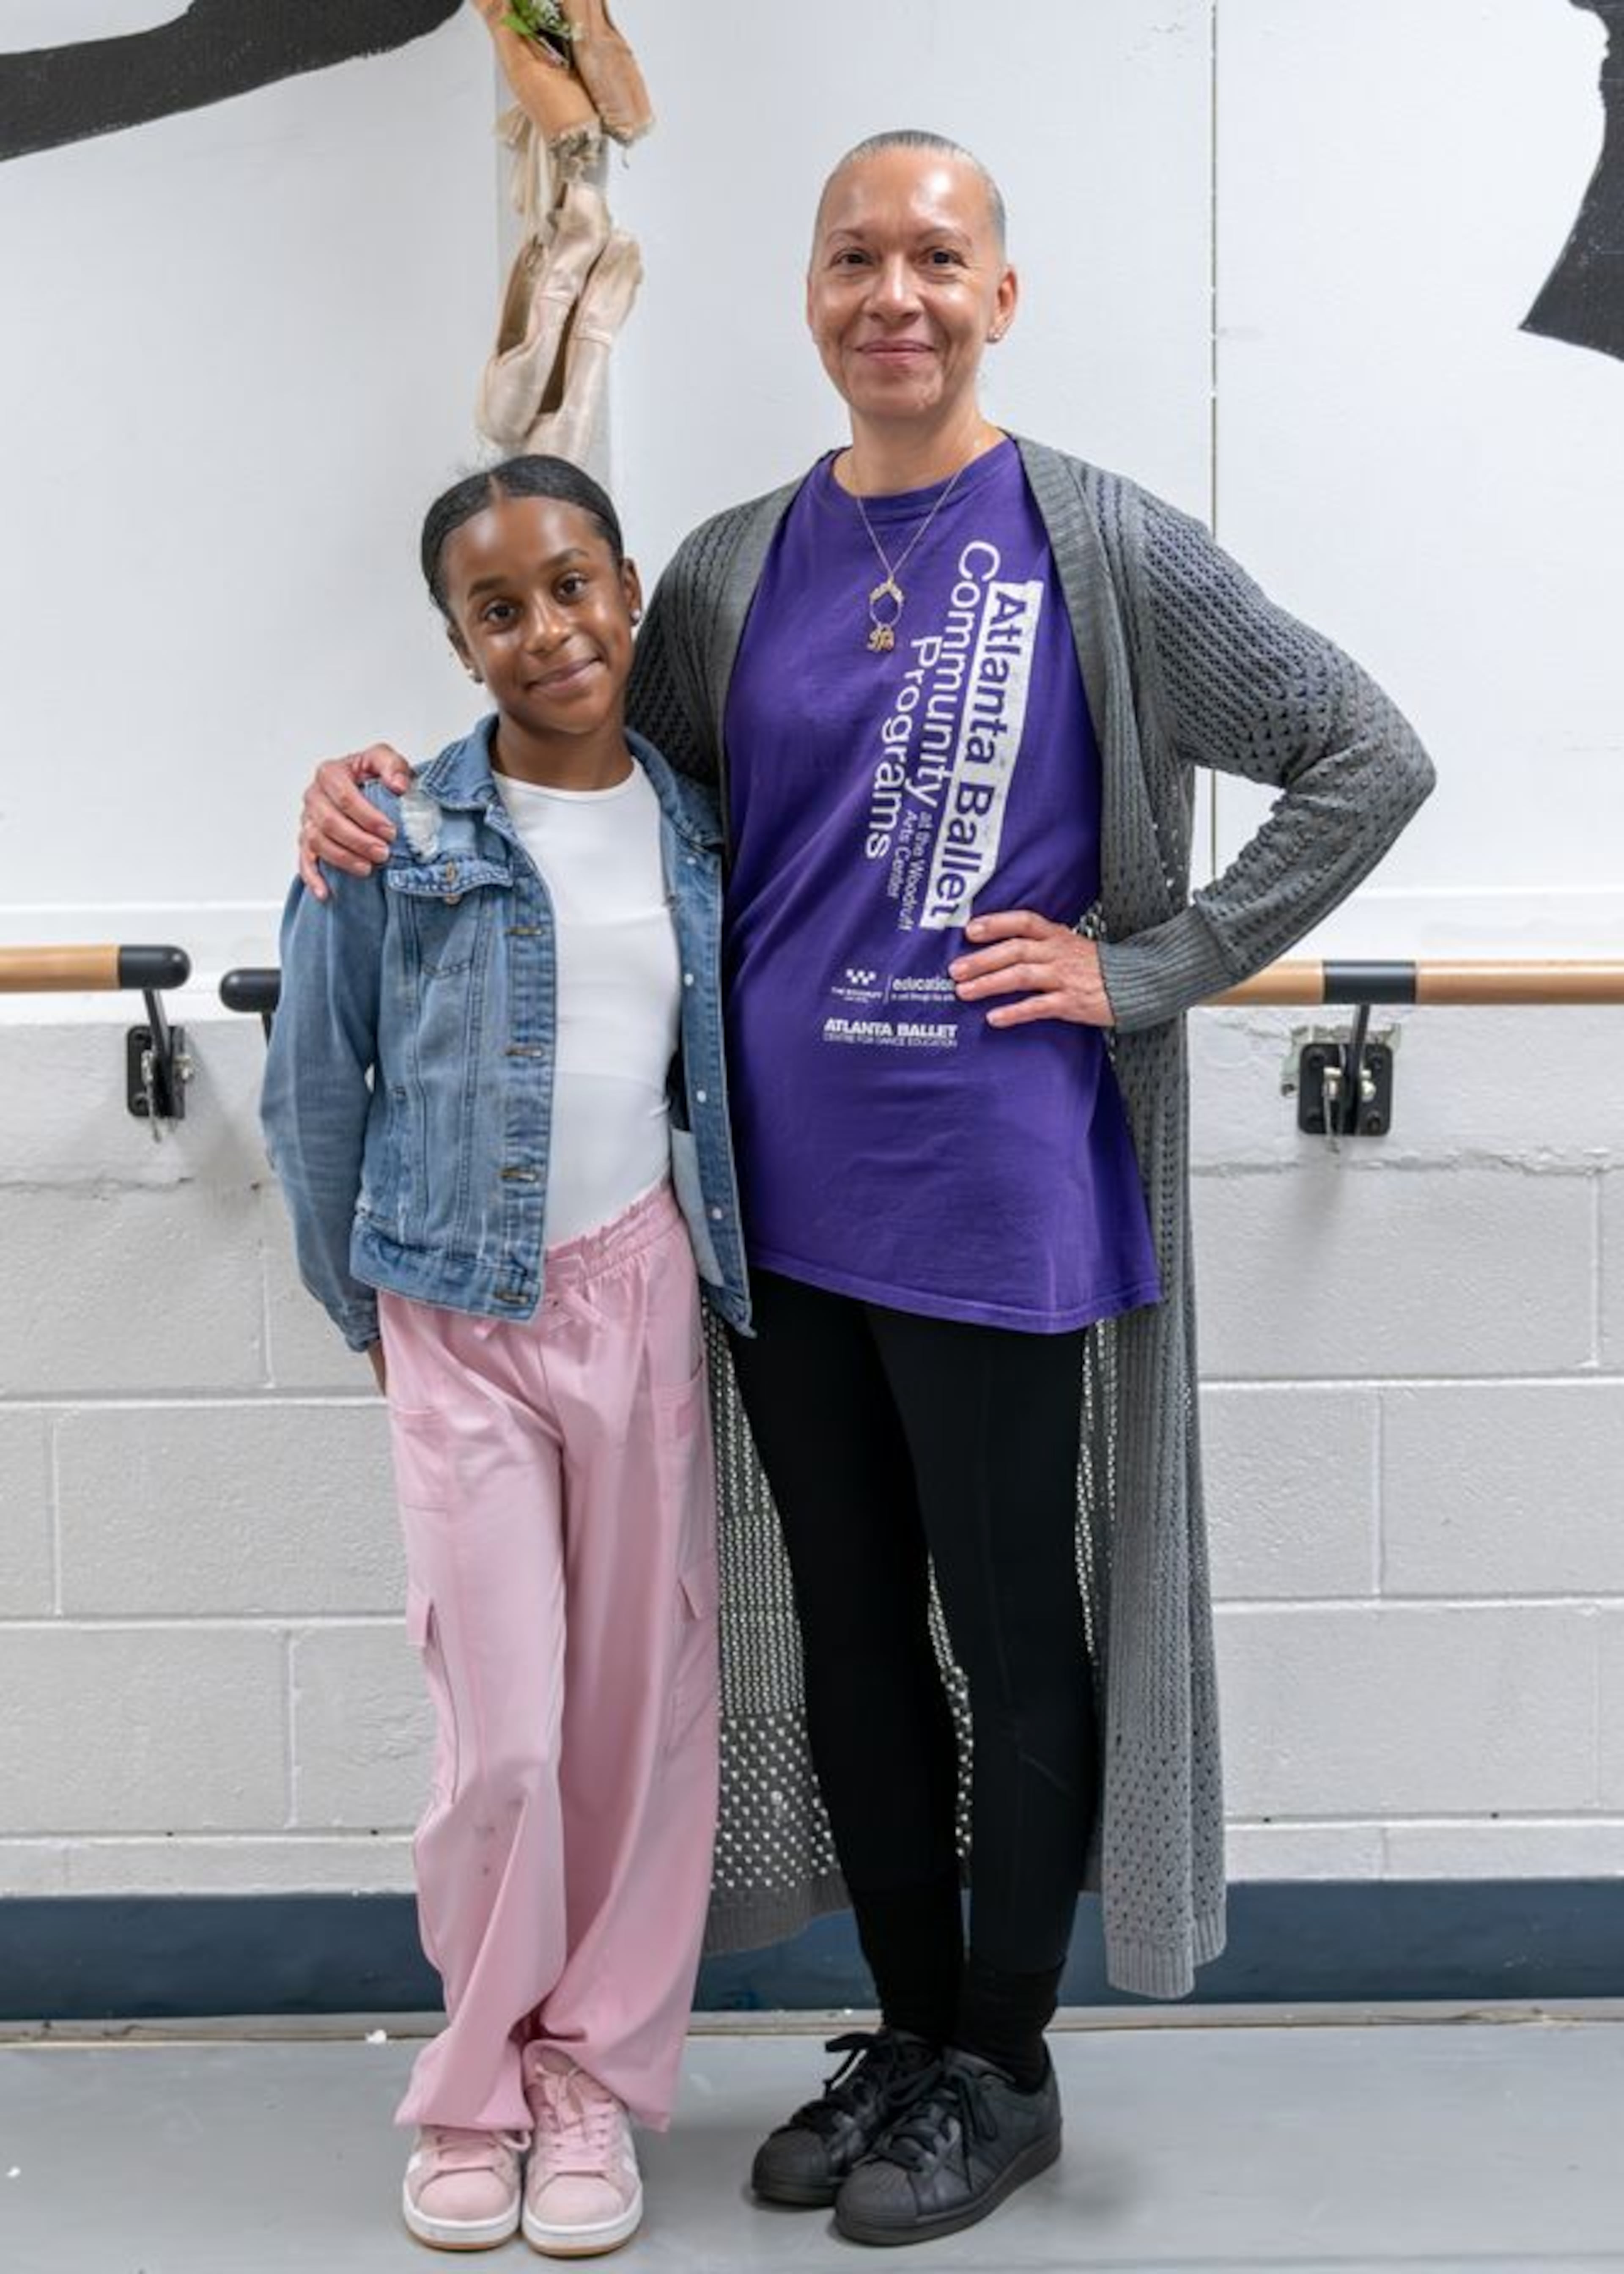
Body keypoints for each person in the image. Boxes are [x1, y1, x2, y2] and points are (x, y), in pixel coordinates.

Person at [296, 131, 1435, 2247]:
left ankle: (1006, 2062)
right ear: (812, 298)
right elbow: (556, 748)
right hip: (768, 1220)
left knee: (1014, 1626)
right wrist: (357, 787)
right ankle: (911, 2033)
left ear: (1001, 295)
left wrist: (1155, 968)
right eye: (853, 257)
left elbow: (1366, 752)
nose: (892, 292)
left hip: (998, 1193)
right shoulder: (729, 568)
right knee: (852, 1634)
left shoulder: (1099, 540)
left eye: (937, 256)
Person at [261, 454, 749, 2257]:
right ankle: (472, 2084)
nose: (547, 631)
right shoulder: (392, 834)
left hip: (646, 1299)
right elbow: (319, 1091)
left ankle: (592, 2088)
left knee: (639, 1721)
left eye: (572, 587)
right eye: (499, 607)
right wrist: (371, 1316)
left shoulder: (702, 822)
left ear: (628, 593)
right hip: (457, 1312)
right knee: (509, 1741)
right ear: (458, 643)